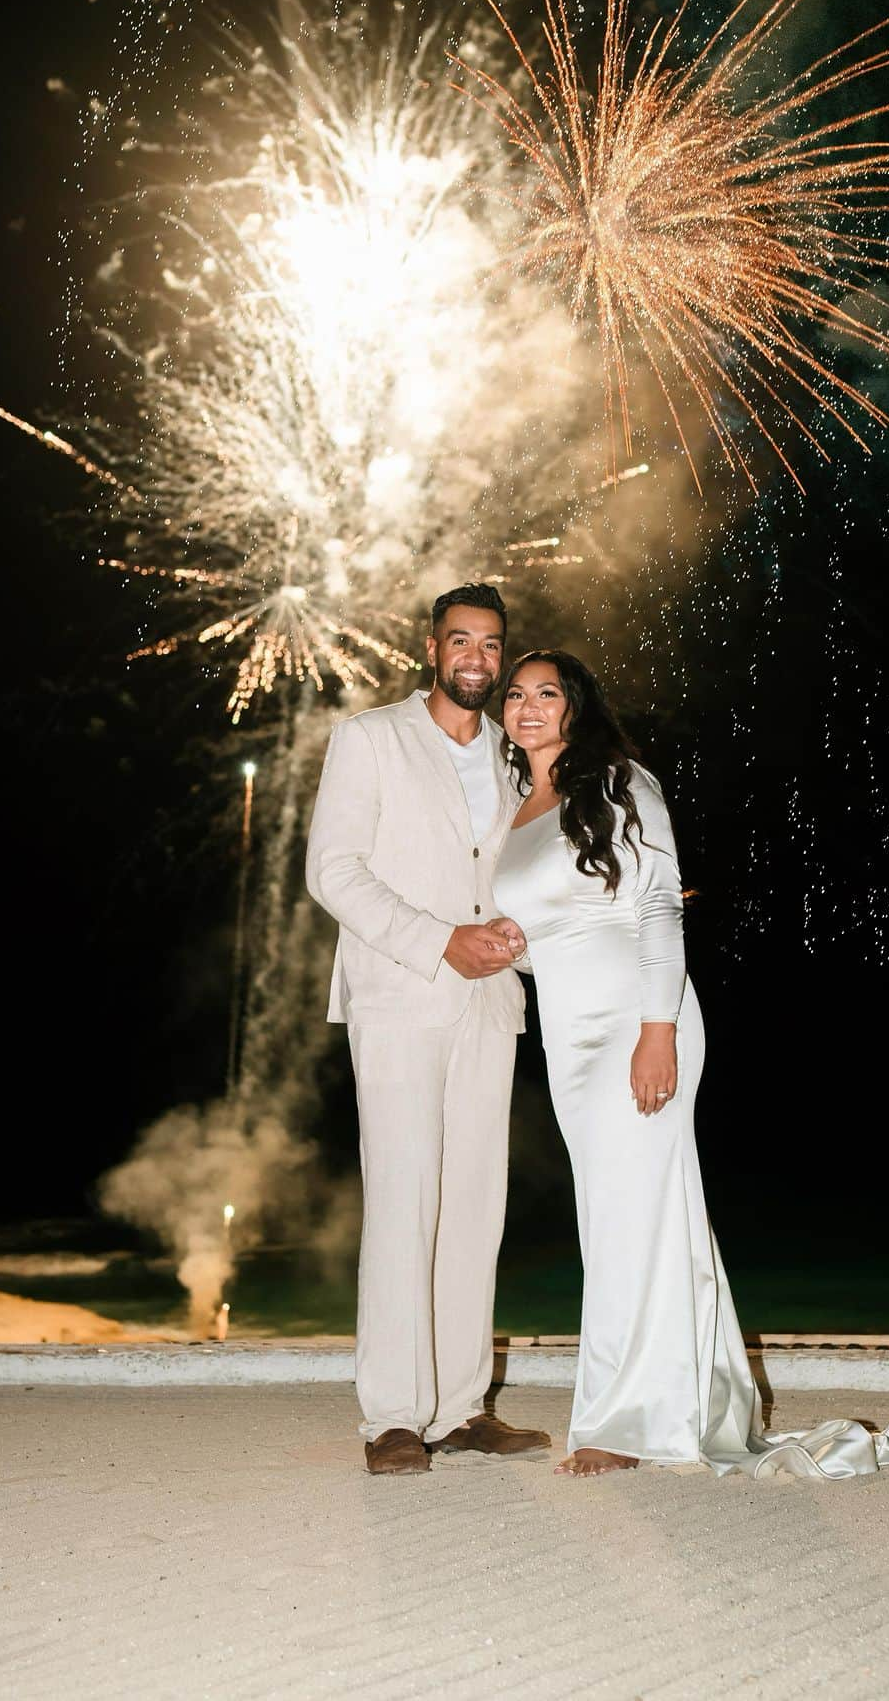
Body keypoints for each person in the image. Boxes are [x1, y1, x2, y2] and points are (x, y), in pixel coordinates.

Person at [494, 651, 889, 1479]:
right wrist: (516, 951)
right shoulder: (519, 810)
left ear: (577, 707)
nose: (528, 705)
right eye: (516, 695)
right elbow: (555, 932)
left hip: (637, 1019)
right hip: (567, 1036)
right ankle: (673, 1396)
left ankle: (627, 1419)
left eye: (547, 692)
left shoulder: (620, 782)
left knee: (633, 1216)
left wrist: (659, 1030)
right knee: (620, 1213)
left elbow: (655, 905)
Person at [305, 584, 550, 1475]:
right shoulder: (371, 737)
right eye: (461, 641)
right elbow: (333, 871)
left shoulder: (517, 755)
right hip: (402, 995)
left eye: (491, 643)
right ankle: (393, 1417)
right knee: (405, 1200)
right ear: (432, 646)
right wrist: (440, 941)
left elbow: (519, 881)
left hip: (491, 1006)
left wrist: (524, 941)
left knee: (476, 1208)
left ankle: (458, 1406)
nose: (477, 658)